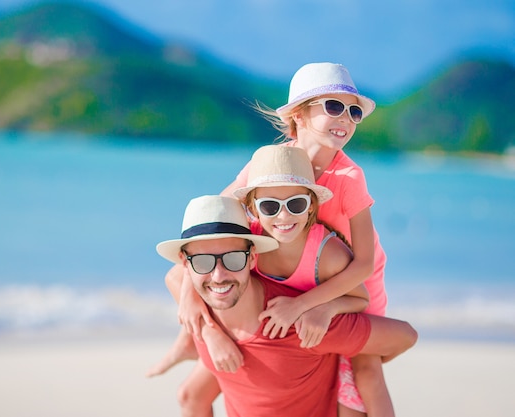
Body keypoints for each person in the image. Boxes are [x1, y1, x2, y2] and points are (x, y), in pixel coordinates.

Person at [220, 62, 391, 416]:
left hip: (355, 281)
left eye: (353, 111)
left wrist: (309, 306)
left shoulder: (349, 176)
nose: (345, 118)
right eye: (333, 106)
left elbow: (364, 263)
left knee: (366, 369)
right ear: (298, 114)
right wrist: (192, 305)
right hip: (303, 274)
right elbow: (218, 216)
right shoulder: (274, 163)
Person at [148, 146, 372, 416]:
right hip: (246, 322)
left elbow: (362, 298)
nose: (283, 215)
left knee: (366, 381)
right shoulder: (248, 236)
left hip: (312, 307)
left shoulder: (326, 253)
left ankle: (188, 343)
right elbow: (185, 271)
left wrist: (316, 307)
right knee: (189, 394)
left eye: (296, 204)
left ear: (311, 204)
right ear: (254, 208)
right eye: (269, 206)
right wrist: (207, 331)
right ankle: (186, 343)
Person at [155, 195, 417, 417]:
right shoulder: (198, 313)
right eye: (202, 262)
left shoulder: (299, 325)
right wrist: (208, 330)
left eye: (233, 259)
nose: (218, 276)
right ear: (185, 264)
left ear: (252, 258)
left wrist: (339, 328)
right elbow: (191, 397)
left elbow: (405, 336)